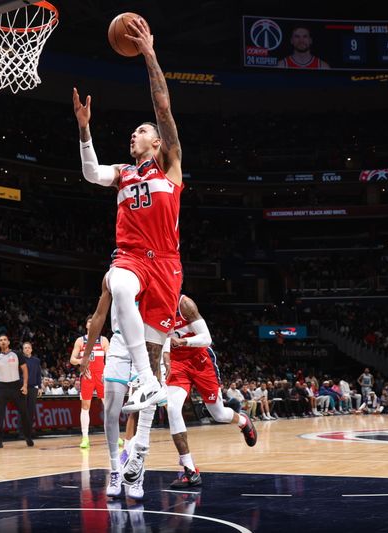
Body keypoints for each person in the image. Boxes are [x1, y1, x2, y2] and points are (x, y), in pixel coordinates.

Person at [73, 15, 183, 422]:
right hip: (132, 257)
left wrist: (150, 55)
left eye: (140, 131)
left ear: (156, 141)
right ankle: (146, 378)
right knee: (118, 284)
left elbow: (163, 106)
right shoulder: (123, 172)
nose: (132, 135)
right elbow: (90, 173)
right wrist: (85, 132)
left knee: (156, 347)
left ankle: (150, 390)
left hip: (166, 265)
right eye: (133, 132)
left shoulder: (169, 165)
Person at [164, 294, 257, 488]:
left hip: (200, 360)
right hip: (176, 363)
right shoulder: (152, 306)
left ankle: (242, 420)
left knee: (219, 414)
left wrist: (184, 342)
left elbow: (206, 339)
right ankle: (190, 470)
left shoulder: (185, 304)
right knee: (172, 408)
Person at [80, 276, 143, 500]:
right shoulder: (112, 276)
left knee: (140, 411)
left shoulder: (151, 274)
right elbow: (99, 315)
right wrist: (86, 354)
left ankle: (137, 472)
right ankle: (115, 470)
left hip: (144, 345)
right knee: (111, 411)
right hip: (118, 344)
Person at [70, 316, 109, 449]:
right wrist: (82, 362)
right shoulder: (80, 341)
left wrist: (109, 372)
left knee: (108, 407)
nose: (91, 323)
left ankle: (113, 436)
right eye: (89, 322)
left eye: (94, 321)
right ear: (86, 325)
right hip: (87, 376)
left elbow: (109, 357)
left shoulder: (103, 340)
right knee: (85, 406)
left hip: (101, 375)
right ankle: (85, 438)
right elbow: (72, 359)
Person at [0, 334, 32, 448]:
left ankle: (28, 436)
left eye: (4, 340)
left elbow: (25, 369)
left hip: (16, 386)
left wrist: (25, 385)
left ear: (8, 342)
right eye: (0, 340)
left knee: (24, 413)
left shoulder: (17, 354)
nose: (2, 342)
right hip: (2, 387)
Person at [21, 341, 42, 442]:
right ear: (23, 350)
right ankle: (22, 432)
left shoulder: (36, 360)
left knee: (31, 411)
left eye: (28, 347)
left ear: (31, 349)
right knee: (23, 410)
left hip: (33, 388)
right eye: (25, 348)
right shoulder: (20, 360)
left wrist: (40, 387)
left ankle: (29, 433)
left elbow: (38, 374)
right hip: (23, 388)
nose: (27, 349)